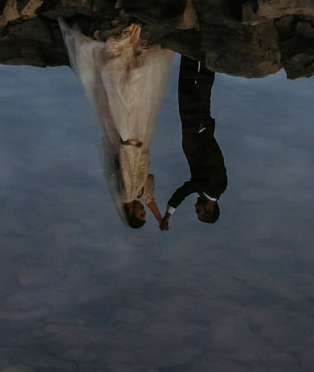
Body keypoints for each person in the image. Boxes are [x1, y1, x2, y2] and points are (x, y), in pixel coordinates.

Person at [60, 23, 176, 229]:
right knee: (135, 91)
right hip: (137, 139)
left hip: (130, 138)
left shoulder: (127, 193)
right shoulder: (136, 193)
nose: (143, 211)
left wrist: (129, 149)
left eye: (140, 214)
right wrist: (160, 219)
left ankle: (127, 47)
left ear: (131, 213)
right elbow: (149, 198)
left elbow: (129, 171)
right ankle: (131, 48)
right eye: (145, 215)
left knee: (130, 92)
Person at [166, 55, 228, 224]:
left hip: (191, 126)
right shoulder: (217, 186)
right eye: (198, 210)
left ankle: (190, 47)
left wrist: (169, 213)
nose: (195, 206)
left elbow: (186, 189)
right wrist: (204, 132)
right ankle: (210, 49)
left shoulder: (203, 188)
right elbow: (215, 157)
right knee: (202, 87)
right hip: (198, 127)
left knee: (187, 86)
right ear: (209, 208)